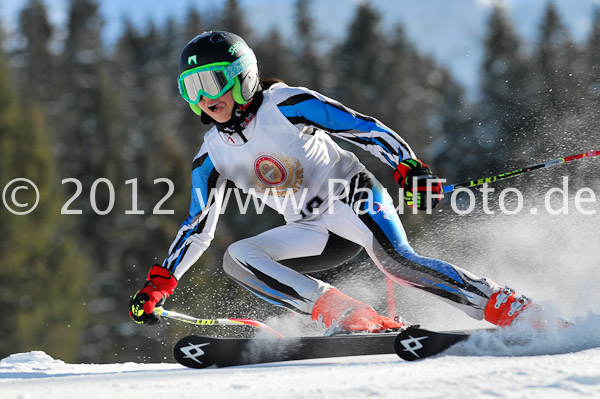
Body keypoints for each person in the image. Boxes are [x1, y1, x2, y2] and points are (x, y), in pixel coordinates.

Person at [129, 31, 535, 333]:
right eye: (191, 88)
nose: (203, 98)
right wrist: (161, 282)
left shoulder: (287, 104)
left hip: (353, 198)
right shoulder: (211, 155)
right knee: (239, 258)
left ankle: (505, 305)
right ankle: (348, 315)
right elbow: (197, 228)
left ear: (242, 77)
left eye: (211, 83)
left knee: (397, 263)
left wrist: (407, 166)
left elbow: (364, 129)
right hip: (311, 230)